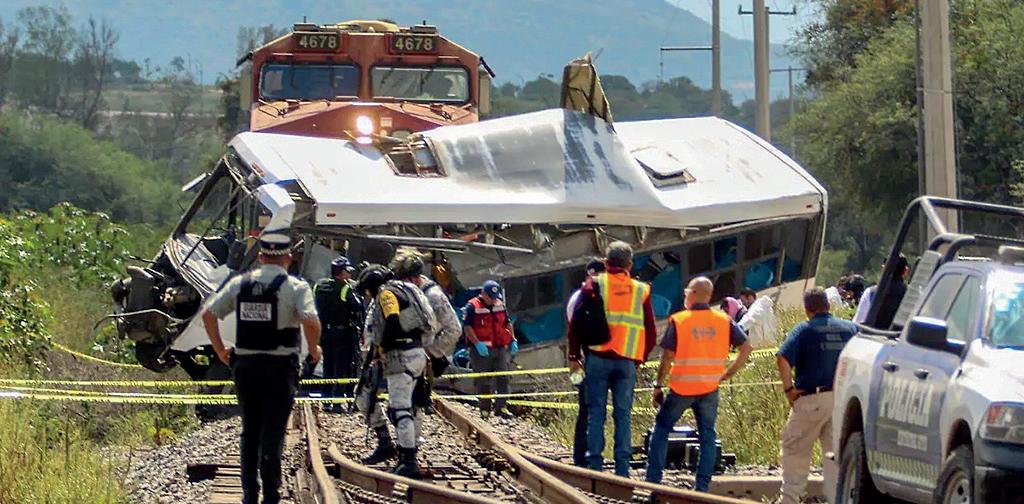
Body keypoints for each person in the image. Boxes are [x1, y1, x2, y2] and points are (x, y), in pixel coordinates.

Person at [201, 232, 322, 504]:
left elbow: (209, 314)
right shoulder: (296, 287)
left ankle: (249, 493)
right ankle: (270, 494)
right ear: (288, 258)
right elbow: (311, 321)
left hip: (246, 366)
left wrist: (220, 350)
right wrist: (314, 349)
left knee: (250, 429)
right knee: (274, 431)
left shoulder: (240, 284)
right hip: (280, 367)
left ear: (260, 257)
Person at [645, 276, 753, 490]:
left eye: (687, 292)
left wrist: (658, 385)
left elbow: (667, 356)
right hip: (709, 388)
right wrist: (728, 373)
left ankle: (653, 482)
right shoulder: (723, 320)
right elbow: (747, 348)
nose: (685, 295)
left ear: (694, 295)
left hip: (682, 388)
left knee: (662, 429)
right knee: (707, 436)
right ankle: (702, 487)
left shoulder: (680, 320)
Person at [571, 241, 657, 477]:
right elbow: (651, 331)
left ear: (606, 263)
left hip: (597, 359)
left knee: (596, 414)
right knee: (623, 415)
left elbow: (576, 323)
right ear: (630, 264)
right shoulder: (641, 290)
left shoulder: (594, 284)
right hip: (626, 362)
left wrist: (574, 355)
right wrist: (640, 358)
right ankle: (622, 469)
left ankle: (595, 466)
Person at [776, 288, 858, 504]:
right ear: (828, 305)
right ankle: (836, 498)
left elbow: (782, 358)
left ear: (807, 310)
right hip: (842, 401)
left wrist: (788, 390)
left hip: (812, 399)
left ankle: (790, 499)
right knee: (834, 453)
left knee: (795, 448)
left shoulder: (804, 330)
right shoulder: (850, 328)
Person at [363, 257, 438, 478]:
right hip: (416, 352)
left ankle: (408, 461)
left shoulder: (386, 294)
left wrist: (382, 347)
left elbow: (393, 320)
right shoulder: (408, 289)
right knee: (407, 407)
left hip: (401, 356)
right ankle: (407, 455)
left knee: (400, 409)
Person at [353, 264, 396, 465]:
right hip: (376, 359)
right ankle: (386, 442)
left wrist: (381, 351)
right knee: (364, 397)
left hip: (388, 360)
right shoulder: (378, 301)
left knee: (399, 406)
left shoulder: (386, 299)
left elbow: (391, 325)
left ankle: (404, 451)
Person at [565, 259, 605, 467]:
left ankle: (582, 456)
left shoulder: (576, 298)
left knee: (586, 409)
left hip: (579, 361)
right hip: (586, 360)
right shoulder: (584, 298)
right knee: (589, 409)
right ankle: (585, 456)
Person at [463, 280, 518, 418]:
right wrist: (477, 343)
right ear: (483, 294)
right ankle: (485, 409)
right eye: (490, 297)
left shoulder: (500, 304)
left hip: (500, 348)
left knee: (503, 377)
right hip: (481, 351)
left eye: (494, 297)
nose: (493, 300)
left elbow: (507, 323)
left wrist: (513, 340)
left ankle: (501, 407)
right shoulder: (472, 306)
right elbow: (467, 327)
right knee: (483, 380)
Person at [314, 256, 364, 410]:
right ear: (341, 272)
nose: (349, 274)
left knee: (328, 367)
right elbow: (356, 306)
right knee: (341, 368)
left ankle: (326, 401)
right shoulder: (345, 288)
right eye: (347, 271)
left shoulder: (319, 286)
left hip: (325, 333)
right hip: (343, 334)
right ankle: (337, 402)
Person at [853, 254, 909, 326]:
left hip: (872, 333)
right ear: (906, 271)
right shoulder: (913, 296)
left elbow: (858, 323)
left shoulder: (871, 293)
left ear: (883, 268)